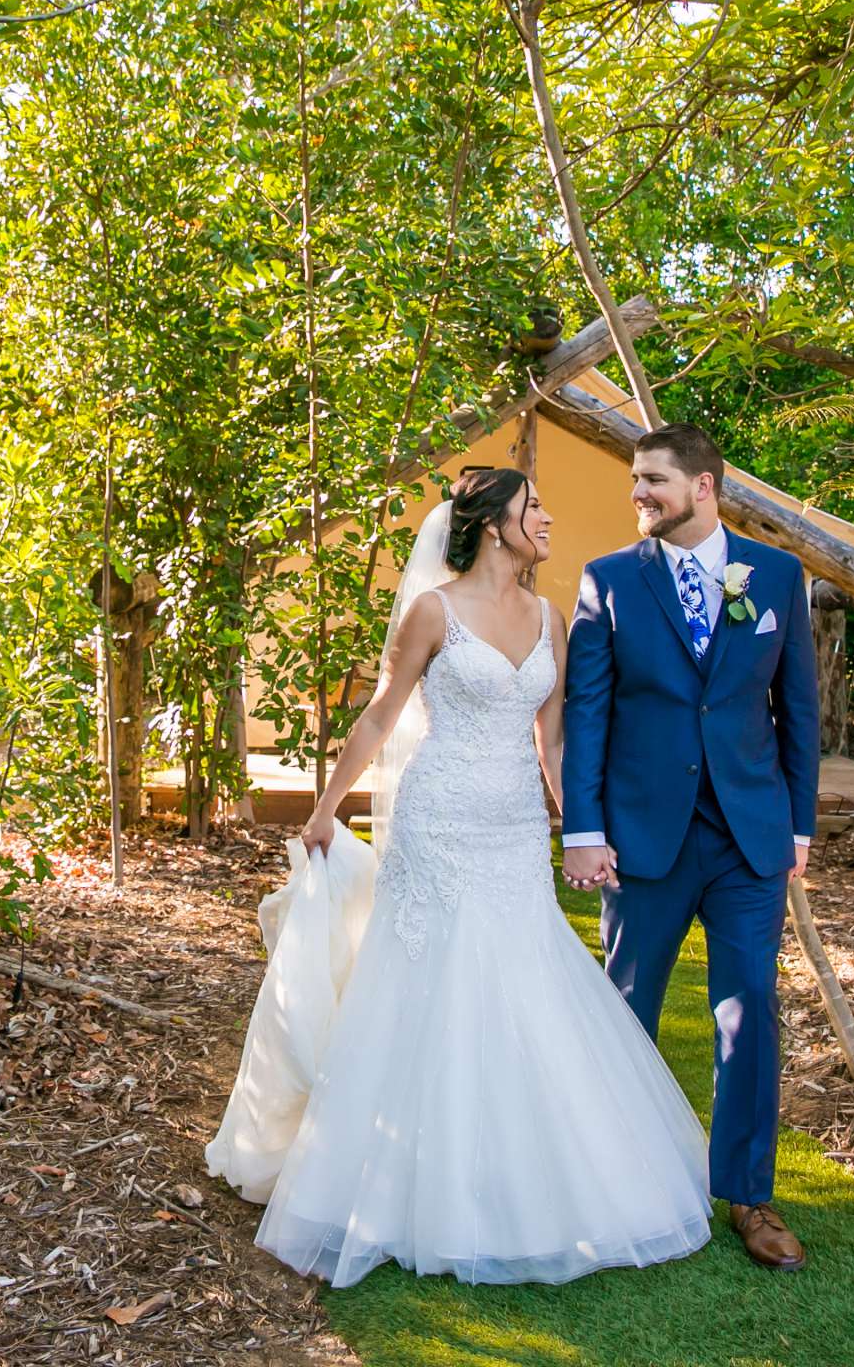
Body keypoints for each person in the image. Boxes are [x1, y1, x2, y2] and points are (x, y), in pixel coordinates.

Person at [207, 467, 710, 1287]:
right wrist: (326, 806)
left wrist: (583, 828)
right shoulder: (432, 611)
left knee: (524, 977)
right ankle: (406, 1181)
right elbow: (381, 711)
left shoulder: (549, 617)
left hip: (513, 828)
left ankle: (522, 1172)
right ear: (490, 523)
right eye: (533, 507)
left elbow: (551, 741)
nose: (546, 518)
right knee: (430, 983)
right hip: (437, 821)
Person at [561, 423, 821, 1272]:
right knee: (626, 1012)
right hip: (643, 838)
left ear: (705, 486)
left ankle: (749, 1195)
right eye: (637, 481)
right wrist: (585, 829)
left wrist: (798, 826)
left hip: (749, 837)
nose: (638, 494)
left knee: (749, 1014)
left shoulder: (778, 576)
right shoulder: (607, 583)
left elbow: (799, 711)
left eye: (652, 481)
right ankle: (612, 1182)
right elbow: (588, 715)